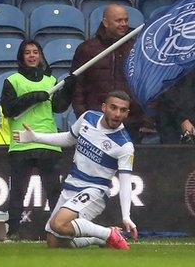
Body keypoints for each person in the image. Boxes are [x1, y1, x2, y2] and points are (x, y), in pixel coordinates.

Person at [13, 90, 137, 250]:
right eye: (113, 108)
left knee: (58, 223)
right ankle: (99, 239)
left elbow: (126, 182)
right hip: (72, 184)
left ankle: (109, 234)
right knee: (54, 241)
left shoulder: (125, 145)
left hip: (95, 190)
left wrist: (126, 216)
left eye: (123, 110)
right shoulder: (87, 118)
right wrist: (36, 137)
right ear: (104, 107)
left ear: (127, 113)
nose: (117, 113)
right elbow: (68, 139)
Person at [0, 39, 75, 240]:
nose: (32, 56)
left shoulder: (51, 82)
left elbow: (58, 107)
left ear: (40, 55)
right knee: (18, 191)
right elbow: (8, 110)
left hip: (48, 141)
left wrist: (68, 89)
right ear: (21, 57)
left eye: (35, 52)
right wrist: (33, 97)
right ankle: (13, 231)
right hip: (21, 142)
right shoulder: (13, 80)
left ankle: (59, 231)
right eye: (27, 53)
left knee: (54, 191)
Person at [70, 4, 153, 143]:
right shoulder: (87, 49)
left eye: (126, 20)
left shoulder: (137, 49)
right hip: (96, 122)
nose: (124, 24)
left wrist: (146, 120)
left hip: (131, 123)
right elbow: (76, 87)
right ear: (105, 22)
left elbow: (148, 84)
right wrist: (83, 116)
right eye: (119, 20)